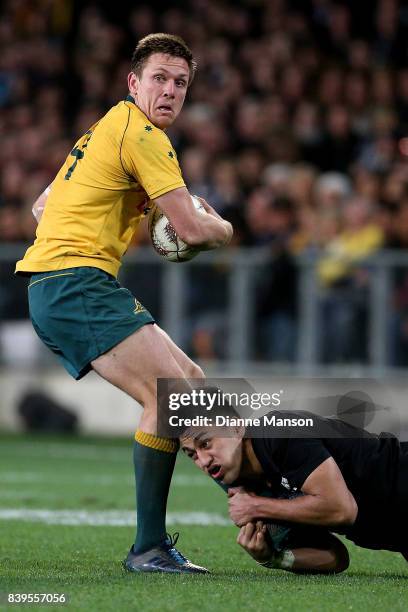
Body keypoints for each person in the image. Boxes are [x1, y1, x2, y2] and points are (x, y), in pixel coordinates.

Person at [15, 33, 233, 574]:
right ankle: (150, 547)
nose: (170, 91)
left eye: (181, 83)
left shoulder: (108, 127)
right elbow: (191, 229)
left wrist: (108, 220)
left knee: (193, 384)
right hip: (73, 283)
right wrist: (222, 226)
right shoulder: (145, 137)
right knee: (171, 396)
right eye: (159, 78)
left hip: (65, 282)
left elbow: (44, 206)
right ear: (134, 82)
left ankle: (259, 508)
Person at [180, 408, 408, 567]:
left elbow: (342, 510)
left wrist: (258, 507)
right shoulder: (252, 489)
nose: (203, 460)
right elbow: (336, 557)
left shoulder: (280, 432)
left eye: (206, 443)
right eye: (192, 455)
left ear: (237, 428)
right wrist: (274, 558)